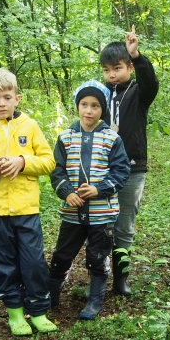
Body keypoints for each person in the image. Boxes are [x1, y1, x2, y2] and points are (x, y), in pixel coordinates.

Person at [0, 68, 58, 336]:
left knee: (34, 262)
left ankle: (39, 312)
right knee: (4, 263)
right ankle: (15, 314)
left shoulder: (30, 126)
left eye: (7, 97)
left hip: (27, 209)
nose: (2, 103)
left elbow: (49, 162)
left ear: (18, 98)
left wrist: (22, 162)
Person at [49, 81, 130, 319]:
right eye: (84, 104)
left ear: (102, 109)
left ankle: (94, 301)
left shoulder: (111, 138)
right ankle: (51, 294)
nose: (89, 110)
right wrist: (68, 193)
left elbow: (121, 171)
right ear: (77, 106)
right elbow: (57, 171)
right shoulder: (65, 137)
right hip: (72, 213)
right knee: (62, 255)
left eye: (95, 106)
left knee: (97, 257)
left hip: (101, 214)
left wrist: (99, 189)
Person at [100, 26, 159, 298]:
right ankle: (99, 273)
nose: (112, 74)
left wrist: (136, 55)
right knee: (101, 224)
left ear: (129, 68)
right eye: (107, 70)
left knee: (124, 226)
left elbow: (151, 82)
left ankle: (121, 278)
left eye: (118, 68)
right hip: (102, 168)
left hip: (133, 169)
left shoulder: (138, 93)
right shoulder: (100, 95)